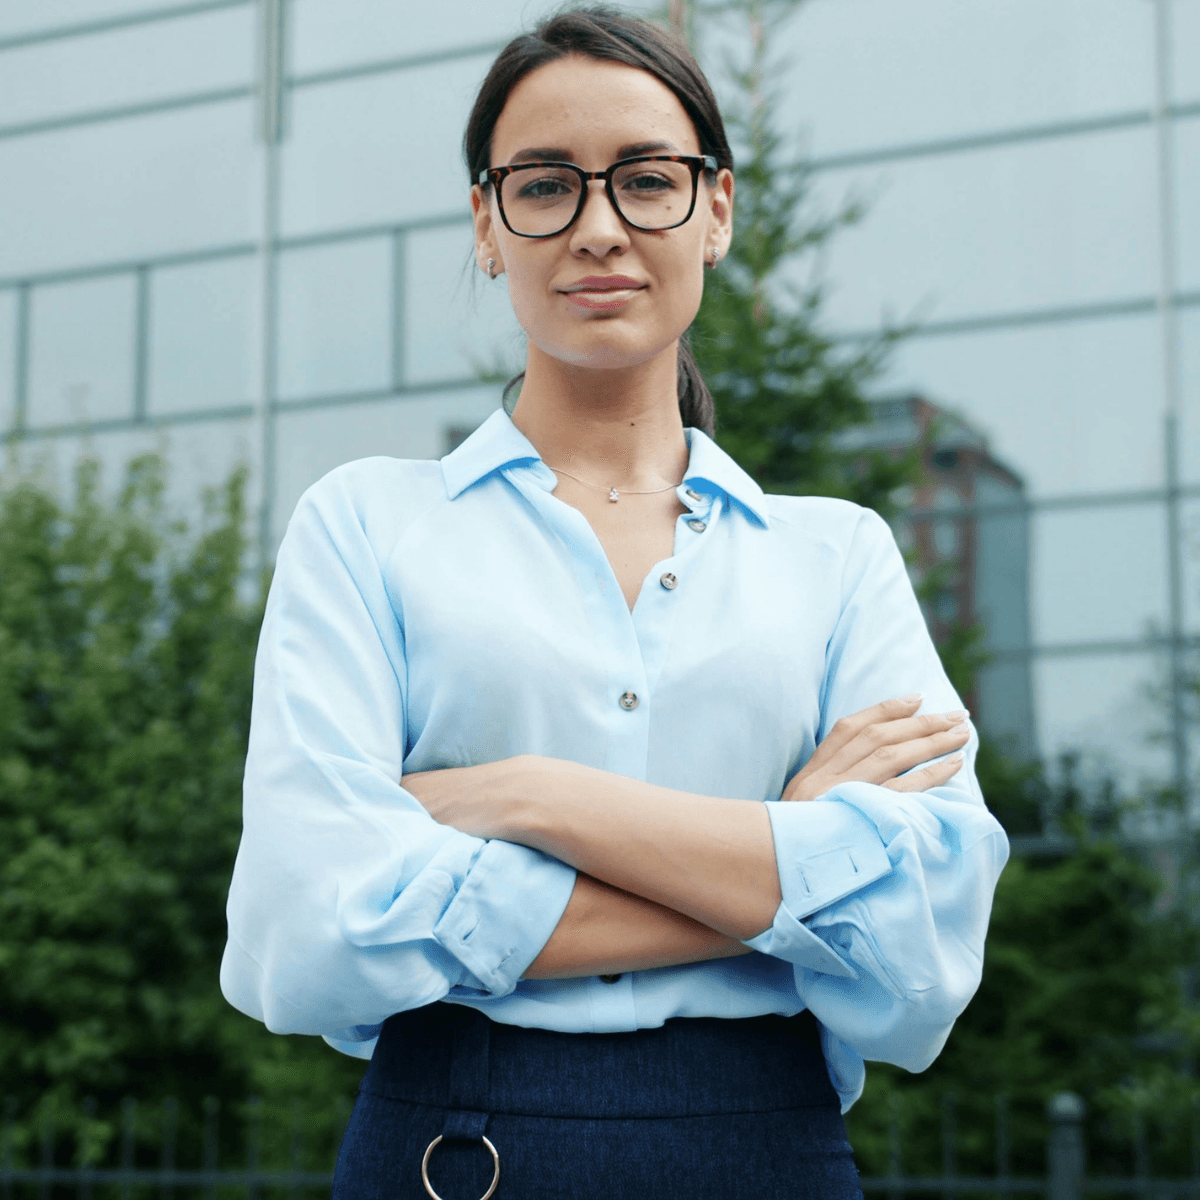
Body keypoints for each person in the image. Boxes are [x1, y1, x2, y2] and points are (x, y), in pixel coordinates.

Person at [220, 7, 1009, 1198]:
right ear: (489, 224)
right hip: (453, 1150)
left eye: (647, 180)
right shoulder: (365, 524)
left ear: (718, 211)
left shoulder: (838, 555)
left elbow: (924, 948)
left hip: (772, 1153)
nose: (598, 228)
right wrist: (787, 855)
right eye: (545, 186)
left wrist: (533, 798)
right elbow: (311, 932)